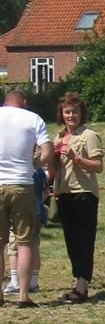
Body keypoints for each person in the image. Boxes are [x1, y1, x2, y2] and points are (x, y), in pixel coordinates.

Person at [0, 89, 53, 307]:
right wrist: (35, 165)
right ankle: (23, 295)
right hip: (22, 183)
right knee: (25, 241)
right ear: (24, 102)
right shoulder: (33, 118)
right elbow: (47, 153)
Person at [53, 92, 103, 304]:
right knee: (71, 242)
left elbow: (98, 166)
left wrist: (77, 158)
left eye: (75, 111)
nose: (71, 115)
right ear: (61, 114)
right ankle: (77, 282)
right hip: (63, 194)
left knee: (83, 241)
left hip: (83, 194)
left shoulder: (89, 135)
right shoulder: (58, 137)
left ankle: (82, 286)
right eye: (67, 112)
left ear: (81, 113)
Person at [4, 160, 50, 294]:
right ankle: (33, 282)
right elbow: (47, 191)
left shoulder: (18, 171)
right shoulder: (40, 171)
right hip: (37, 213)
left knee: (14, 248)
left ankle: (15, 282)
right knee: (33, 246)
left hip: (21, 214)